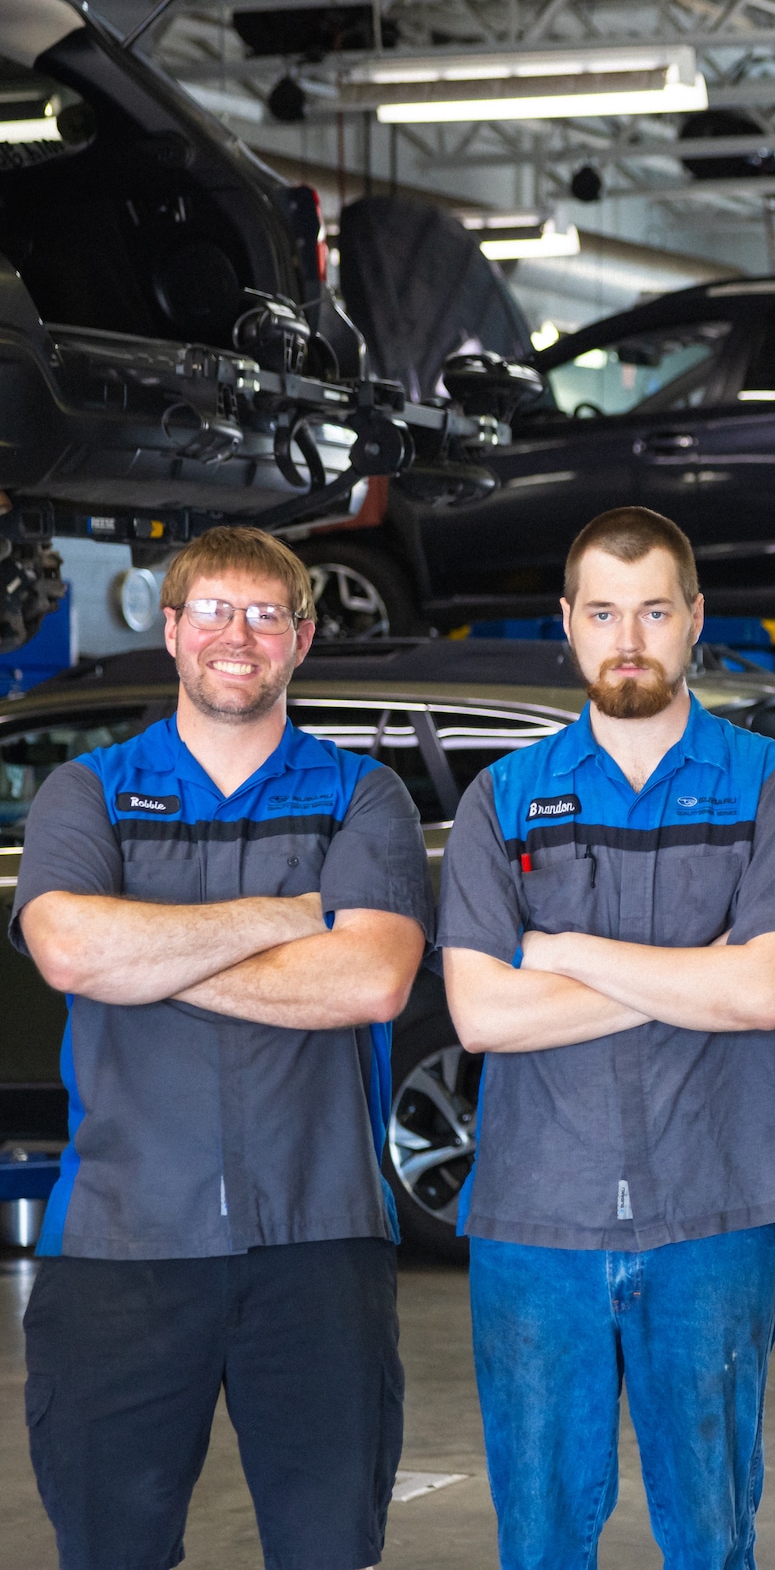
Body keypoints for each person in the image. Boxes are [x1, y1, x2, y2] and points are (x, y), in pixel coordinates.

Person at [13, 526, 432, 1570]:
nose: (234, 637)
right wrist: (290, 914)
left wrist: (147, 956)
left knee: (328, 1548)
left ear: (302, 638)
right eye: (211, 611)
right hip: (120, 1247)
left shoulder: (361, 794)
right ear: (170, 629)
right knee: (113, 1549)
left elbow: (371, 977)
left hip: (320, 1245)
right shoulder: (87, 789)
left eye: (263, 615)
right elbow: (67, 949)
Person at [437, 507, 775, 1570]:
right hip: (536, 1222)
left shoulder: (771, 786)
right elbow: (482, 1012)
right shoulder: (504, 799)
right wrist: (692, 970)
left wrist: (558, 946)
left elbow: (760, 992)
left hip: (714, 1212)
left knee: (711, 1536)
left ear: (694, 619)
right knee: (540, 1540)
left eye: (654, 610)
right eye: (604, 612)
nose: (629, 638)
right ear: (567, 623)